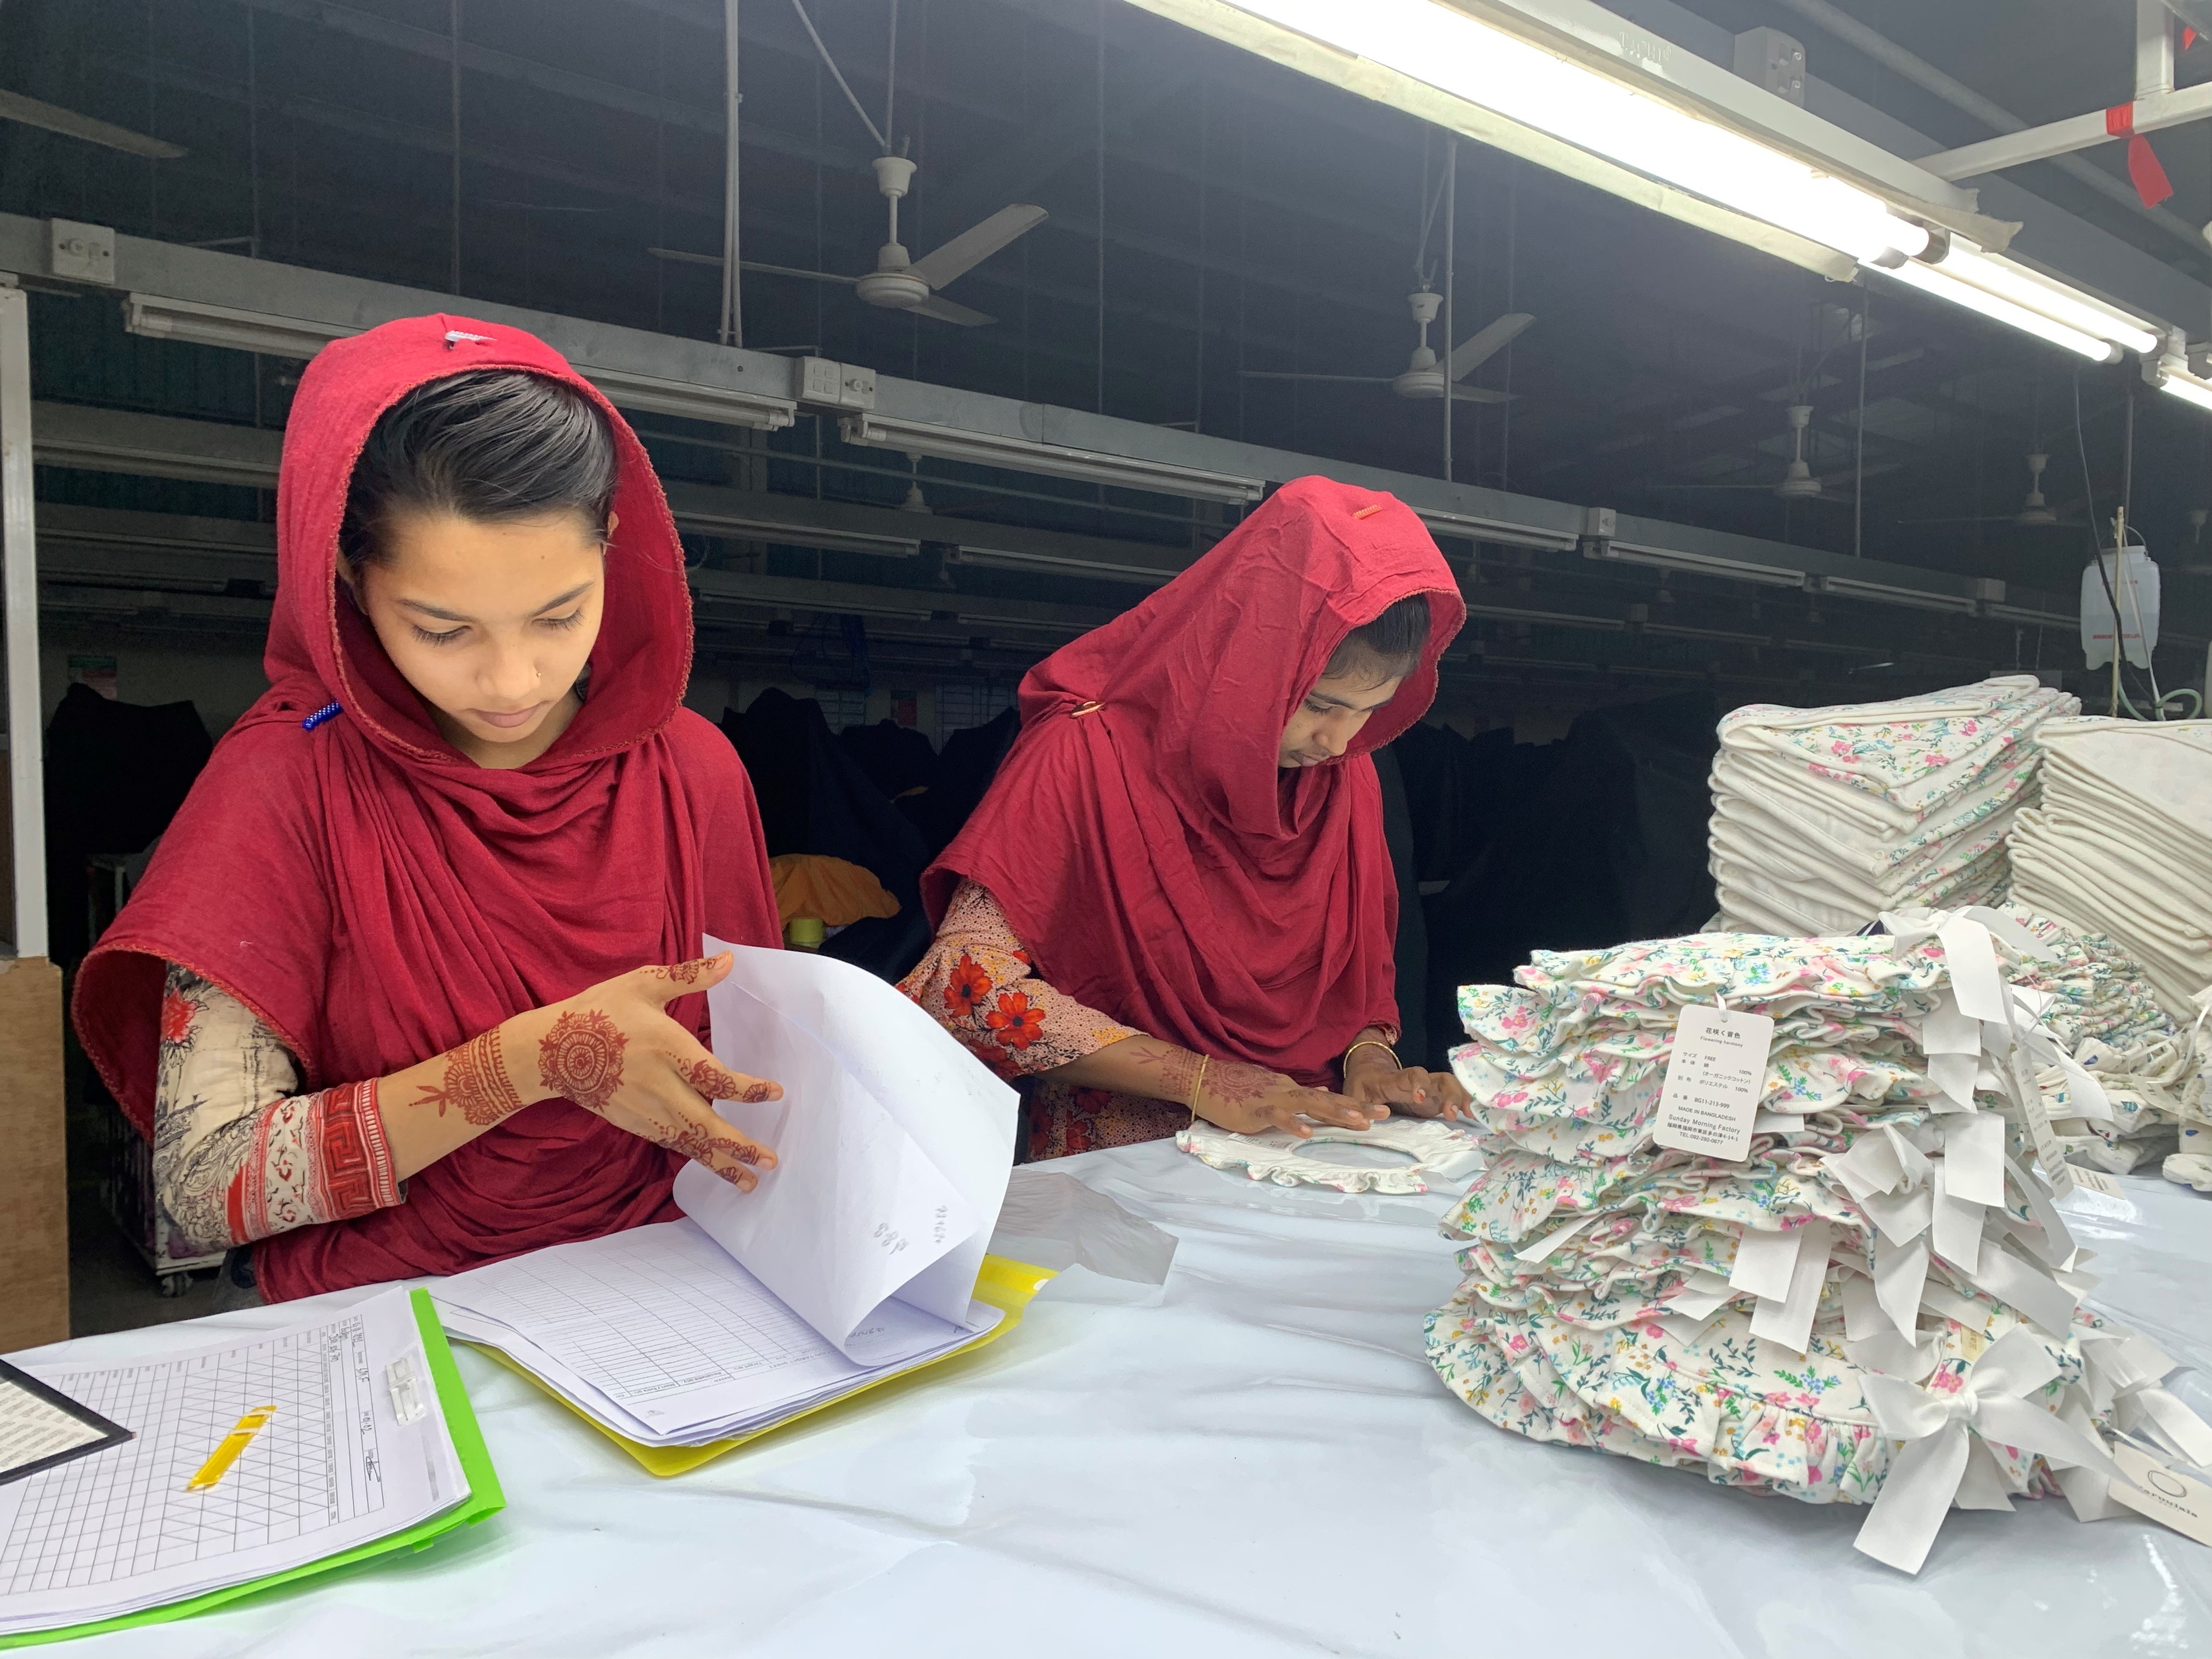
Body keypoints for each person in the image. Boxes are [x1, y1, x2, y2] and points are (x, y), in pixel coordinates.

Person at [74, 315, 786, 1305]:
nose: (512, 679)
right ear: (347, 581)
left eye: (559, 614)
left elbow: (750, 1074)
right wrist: (526, 1062)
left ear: (612, 548)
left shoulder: (691, 770)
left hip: (665, 1299)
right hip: (394, 1327)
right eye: (443, 629)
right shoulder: (286, 783)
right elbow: (208, 1184)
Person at [900, 476, 1472, 1161]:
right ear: (1252, 664)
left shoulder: (1341, 781)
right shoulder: (1087, 756)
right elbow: (964, 987)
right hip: (1129, 1175)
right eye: (1320, 705)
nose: (1341, 741)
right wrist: (1199, 1079)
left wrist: (1372, 1066)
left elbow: (1361, 989)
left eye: (1370, 711)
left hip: (1316, 1165)